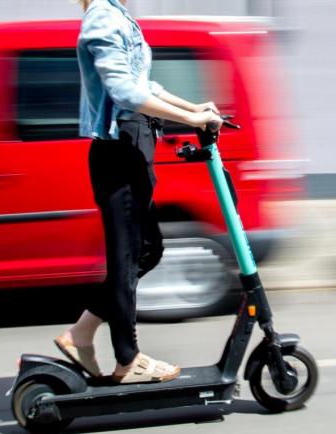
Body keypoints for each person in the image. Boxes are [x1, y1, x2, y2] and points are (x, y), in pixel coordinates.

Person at [54, 0, 223, 384]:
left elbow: (144, 84)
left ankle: (81, 333)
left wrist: (194, 107)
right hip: (120, 150)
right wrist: (192, 118)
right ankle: (127, 360)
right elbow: (124, 91)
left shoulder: (117, 13)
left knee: (147, 250)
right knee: (127, 257)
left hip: (134, 146)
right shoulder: (102, 15)